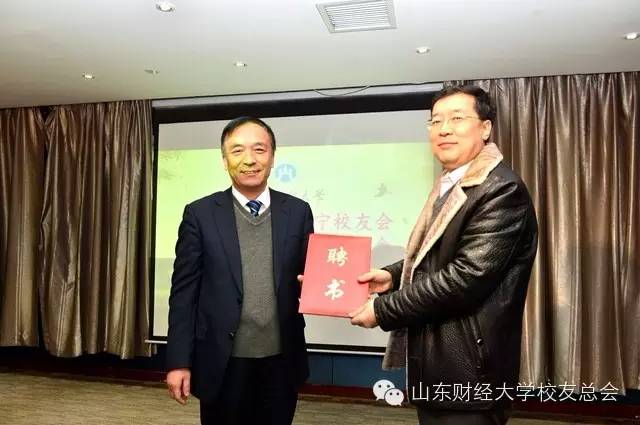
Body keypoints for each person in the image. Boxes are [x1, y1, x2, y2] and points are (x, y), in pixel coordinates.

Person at [350, 85, 538, 425]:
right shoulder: (453, 182)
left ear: (485, 128)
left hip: (471, 372)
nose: (444, 129)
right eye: (436, 121)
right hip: (442, 364)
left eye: (457, 118)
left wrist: (382, 309)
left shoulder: (500, 189)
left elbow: (466, 278)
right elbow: (438, 254)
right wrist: (393, 276)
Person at [166, 117, 314, 425]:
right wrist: (179, 361)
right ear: (224, 160)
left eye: (259, 149)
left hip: (281, 360)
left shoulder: (298, 211)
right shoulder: (200, 214)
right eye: (237, 151)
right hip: (222, 360)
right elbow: (183, 295)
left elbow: (310, 276)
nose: (249, 160)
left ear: (272, 156)